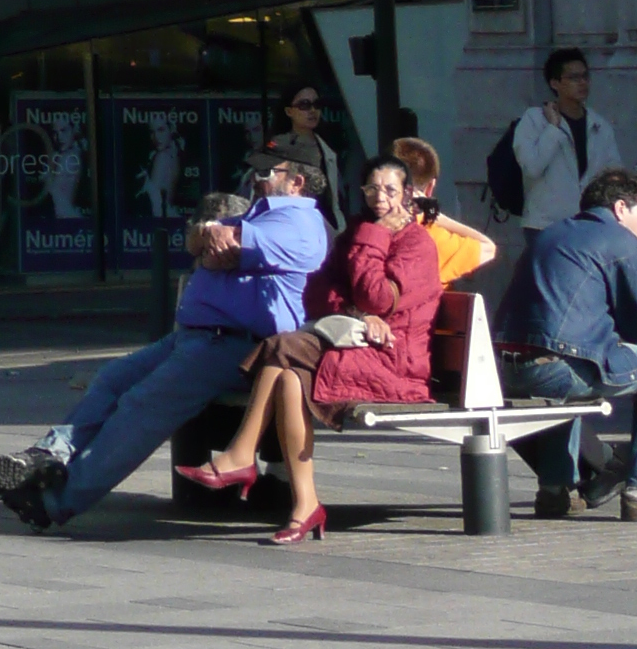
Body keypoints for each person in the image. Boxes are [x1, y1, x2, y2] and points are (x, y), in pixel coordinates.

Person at [0, 151, 329, 532]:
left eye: (267, 171)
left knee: (141, 407)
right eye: (254, 168)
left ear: (296, 182)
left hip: (235, 347)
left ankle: (53, 502)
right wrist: (211, 238)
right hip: (195, 337)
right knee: (114, 378)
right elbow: (200, 241)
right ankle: (46, 456)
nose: (256, 177)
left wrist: (216, 238)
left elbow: (217, 239)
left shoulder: (300, 222)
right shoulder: (257, 215)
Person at [178, 157, 444, 546]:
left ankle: (241, 456)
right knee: (287, 373)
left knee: (282, 347)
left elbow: (380, 297)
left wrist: (376, 240)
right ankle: (305, 506)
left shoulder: (415, 243)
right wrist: (356, 312)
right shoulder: (357, 231)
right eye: (372, 189)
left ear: (406, 193)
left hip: (395, 360)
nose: (380, 199)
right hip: (353, 342)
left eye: (389, 190)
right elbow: (318, 292)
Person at [494, 165, 637, 520]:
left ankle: (555, 490)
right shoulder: (620, 241)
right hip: (556, 367)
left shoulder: (551, 233)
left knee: (564, 378)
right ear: (620, 209)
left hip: (505, 368)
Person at [511, 48, 623, 231]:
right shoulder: (534, 120)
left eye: (585, 77)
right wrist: (553, 129)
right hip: (545, 225)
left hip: (589, 224)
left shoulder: (599, 125)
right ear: (555, 83)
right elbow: (531, 167)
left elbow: (613, 174)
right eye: (573, 78)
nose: (582, 83)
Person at [393, 135, 497, 286]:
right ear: (430, 187)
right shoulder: (435, 236)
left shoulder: (365, 230)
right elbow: (488, 247)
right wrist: (438, 218)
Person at [245, 88, 344, 231]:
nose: (312, 110)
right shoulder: (278, 144)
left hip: (323, 223)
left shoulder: (328, 147)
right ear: (288, 111)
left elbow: (335, 198)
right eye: (304, 105)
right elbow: (258, 183)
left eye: (317, 104)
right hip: (283, 221)